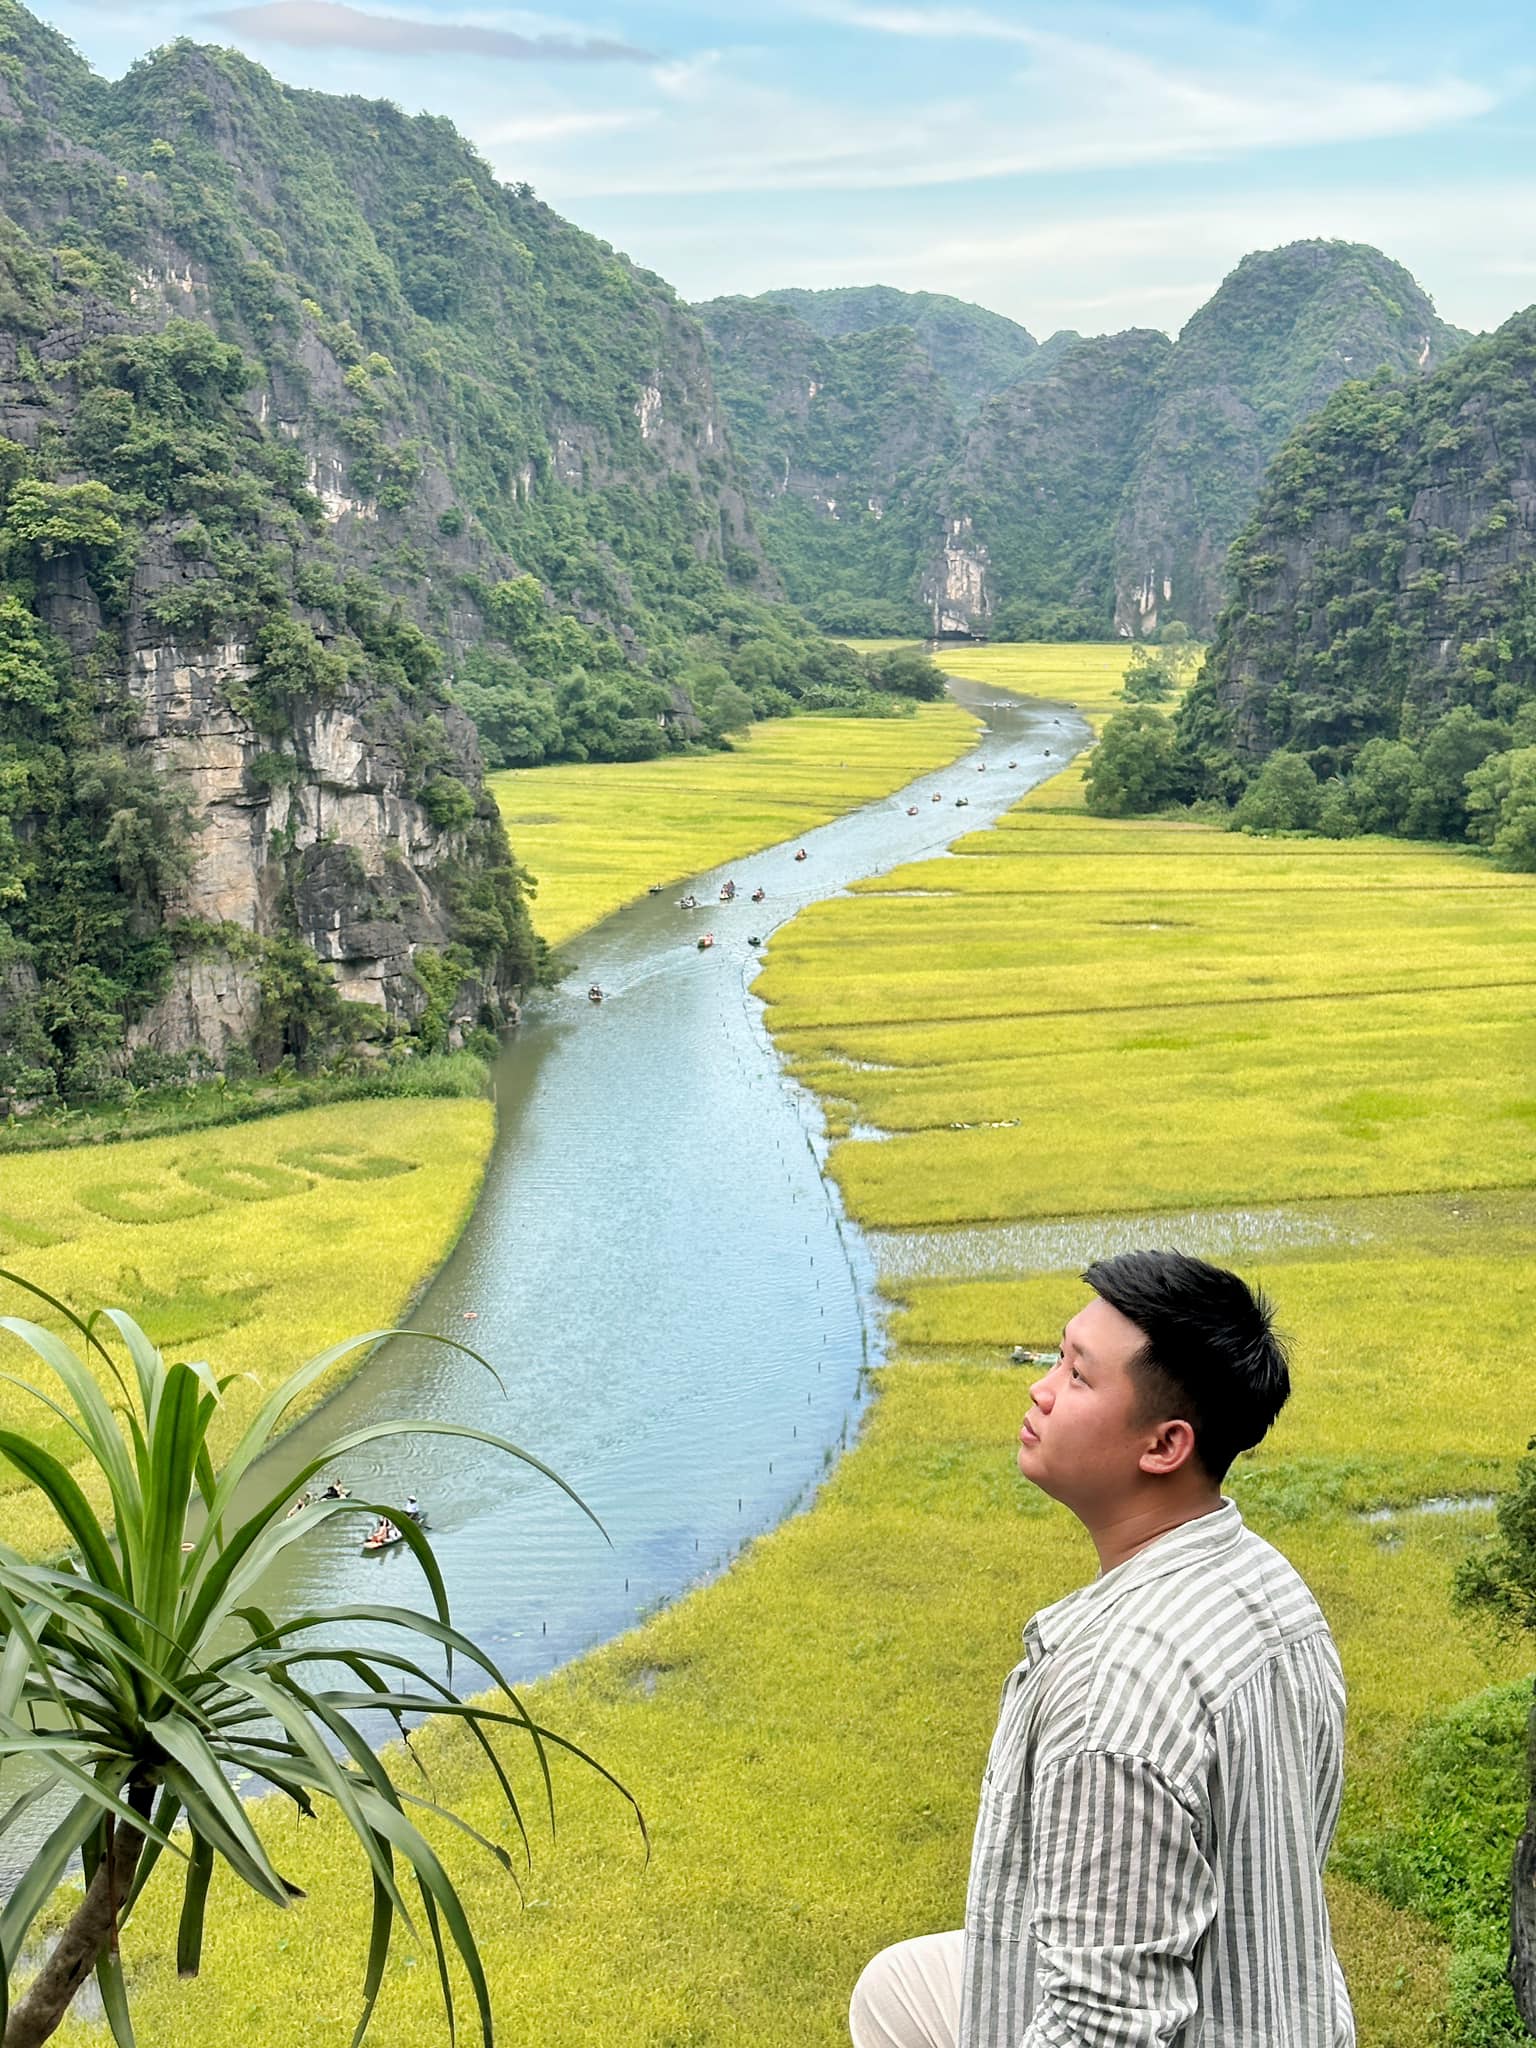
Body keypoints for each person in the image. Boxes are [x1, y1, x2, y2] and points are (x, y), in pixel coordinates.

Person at [849, 1249, 1352, 2048]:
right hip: (1284, 2012)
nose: (1040, 1388)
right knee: (894, 1989)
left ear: (1164, 1446)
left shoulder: (1109, 1697)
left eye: (1078, 1377)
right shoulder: (1272, 1586)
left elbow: (1104, 2025)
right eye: (1057, 1357)